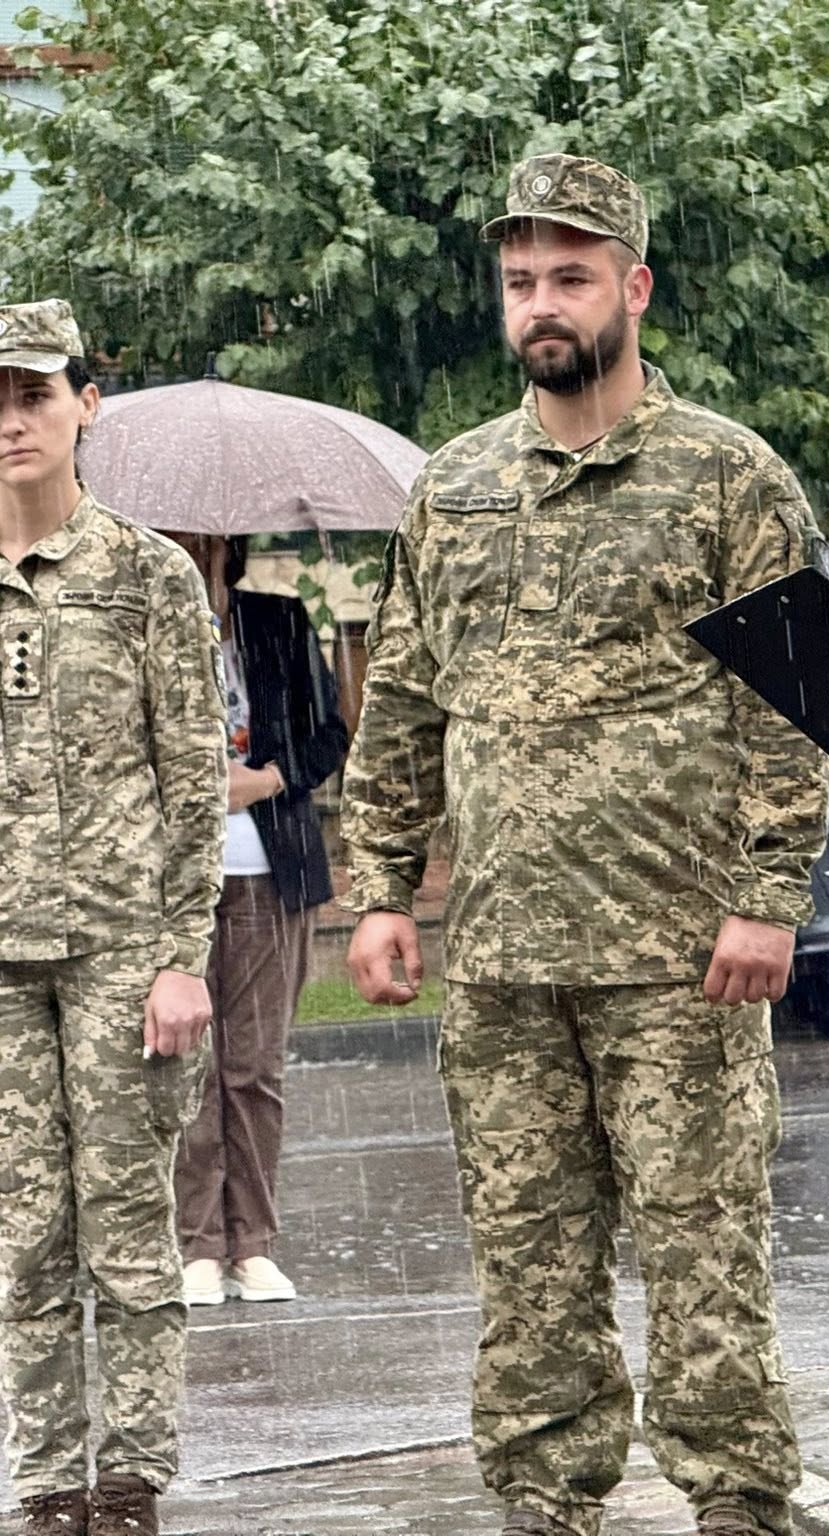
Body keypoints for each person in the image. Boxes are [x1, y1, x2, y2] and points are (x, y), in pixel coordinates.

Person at [340, 155, 829, 1536]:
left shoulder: (728, 475)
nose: (542, 306)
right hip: (504, 960)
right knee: (527, 1263)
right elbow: (407, 699)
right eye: (520, 282)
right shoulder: (455, 486)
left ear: (635, 287)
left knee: (703, 1253)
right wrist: (381, 888)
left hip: (679, 955)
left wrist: (768, 895)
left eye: (569, 277)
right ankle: (543, 1501)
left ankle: (738, 1502)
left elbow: (794, 705)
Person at [0, 299, 227, 1536]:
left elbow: (191, 784)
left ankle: (131, 1478)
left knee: (131, 1236)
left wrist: (181, 960)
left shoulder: (146, 577)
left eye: (33, 394)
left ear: (85, 405)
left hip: (118, 958)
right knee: (22, 1240)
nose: (11, 421)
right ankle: (45, 1482)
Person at [163, 533, 349, 1309]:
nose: (188, 545)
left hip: (270, 874)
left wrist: (267, 779)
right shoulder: (143, 620)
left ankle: (254, 1245)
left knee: (254, 1067)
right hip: (170, 882)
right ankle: (198, 1244)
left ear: (225, 541)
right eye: (174, 534)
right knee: (187, 1068)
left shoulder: (277, 620)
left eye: (201, 537)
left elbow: (329, 734)